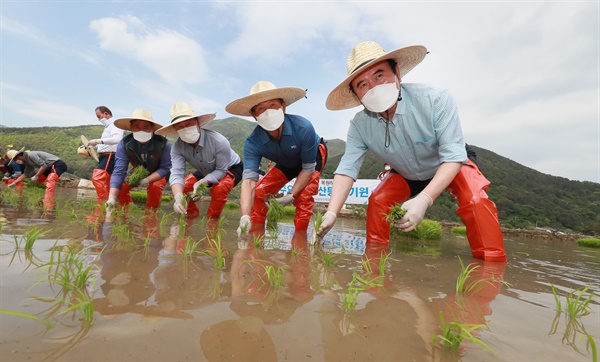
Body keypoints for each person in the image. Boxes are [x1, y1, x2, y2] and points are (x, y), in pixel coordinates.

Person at [317, 41, 506, 262]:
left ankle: (490, 270)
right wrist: (332, 212)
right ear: (357, 95)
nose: (374, 88)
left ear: (397, 73)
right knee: (378, 201)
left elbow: (453, 156)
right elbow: (348, 168)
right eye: (363, 84)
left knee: (475, 200)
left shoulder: (435, 98)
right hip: (405, 172)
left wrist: (425, 199)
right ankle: (374, 268)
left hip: (449, 164)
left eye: (379, 76)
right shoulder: (359, 125)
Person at [226, 81, 328, 235]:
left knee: (304, 198)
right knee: (260, 193)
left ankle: (299, 244)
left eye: (273, 105)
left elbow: (308, 168)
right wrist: (245, 215)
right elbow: (248, 182)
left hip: (311, 158)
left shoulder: (303, 127)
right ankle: (255, 237)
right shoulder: (253, 143)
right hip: (286, 162)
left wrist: (290, 195)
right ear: (254, 115)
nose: (268, 112)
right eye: (261, 108)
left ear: (283, 107)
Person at [155, 102, 243, 220]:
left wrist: (203, 181)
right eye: (180, 126)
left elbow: (221, 170)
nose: (185, 128)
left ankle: (212, 221)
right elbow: (177, 173)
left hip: (230, 167)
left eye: (188, 123)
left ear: (197, 123)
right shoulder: (177, 148)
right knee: (184, 187)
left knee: (219, 189)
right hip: (205, 169)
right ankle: (190, 215)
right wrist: (178, 197)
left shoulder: (219, 141)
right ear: (175, 130)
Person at [105, 108, 172, 210]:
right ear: (131, 127)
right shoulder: (124, 144)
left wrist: (145, 180)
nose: (141, 130)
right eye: (137, 127)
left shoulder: (163, 144)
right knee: (121, 188)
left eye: (146, 127)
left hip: (159, 172)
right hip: (140, 171)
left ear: (152, 128)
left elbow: (165, 168)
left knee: (155, 187)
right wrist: (111, 197)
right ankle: (129, 211)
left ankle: (150, 216)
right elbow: (119, 171)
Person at [87, 106, 124, 202]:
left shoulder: (115, 124)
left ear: (106, 114)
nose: (98, 119)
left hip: (110, 155)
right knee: (110, 182)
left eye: (99, 116)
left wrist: (97, 141)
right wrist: (93, 146)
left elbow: (117, 139)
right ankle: (118, 204)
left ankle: (102, 202)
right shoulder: (108, 126)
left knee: (98, 178)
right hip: (105, 156)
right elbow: (106, 143)